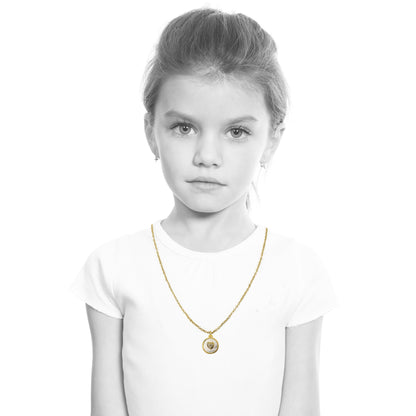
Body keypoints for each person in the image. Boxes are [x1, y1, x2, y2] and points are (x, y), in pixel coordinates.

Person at [69, 7, 339, 416]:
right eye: (184, 128)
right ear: (151, 132)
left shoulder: (298, 270)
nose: (207, 156)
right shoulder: (113, 266)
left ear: (271, 139)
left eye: (236, 132)